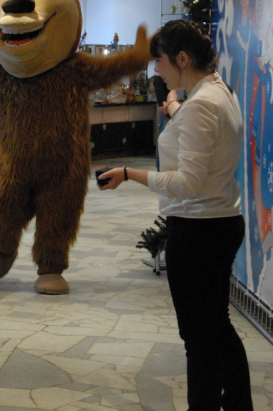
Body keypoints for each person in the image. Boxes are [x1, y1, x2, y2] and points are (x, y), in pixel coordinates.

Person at [97, 20, 252, 411]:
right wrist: (174, 106)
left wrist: (132, 174)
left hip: (199, 230)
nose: (156, 71)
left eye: (161, 62)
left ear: (182, 59)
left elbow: (189, 183)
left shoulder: (201, 104)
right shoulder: (218, 91)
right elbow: (199, 128)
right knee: (217, 327)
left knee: (199, 337)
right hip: (219, 223)